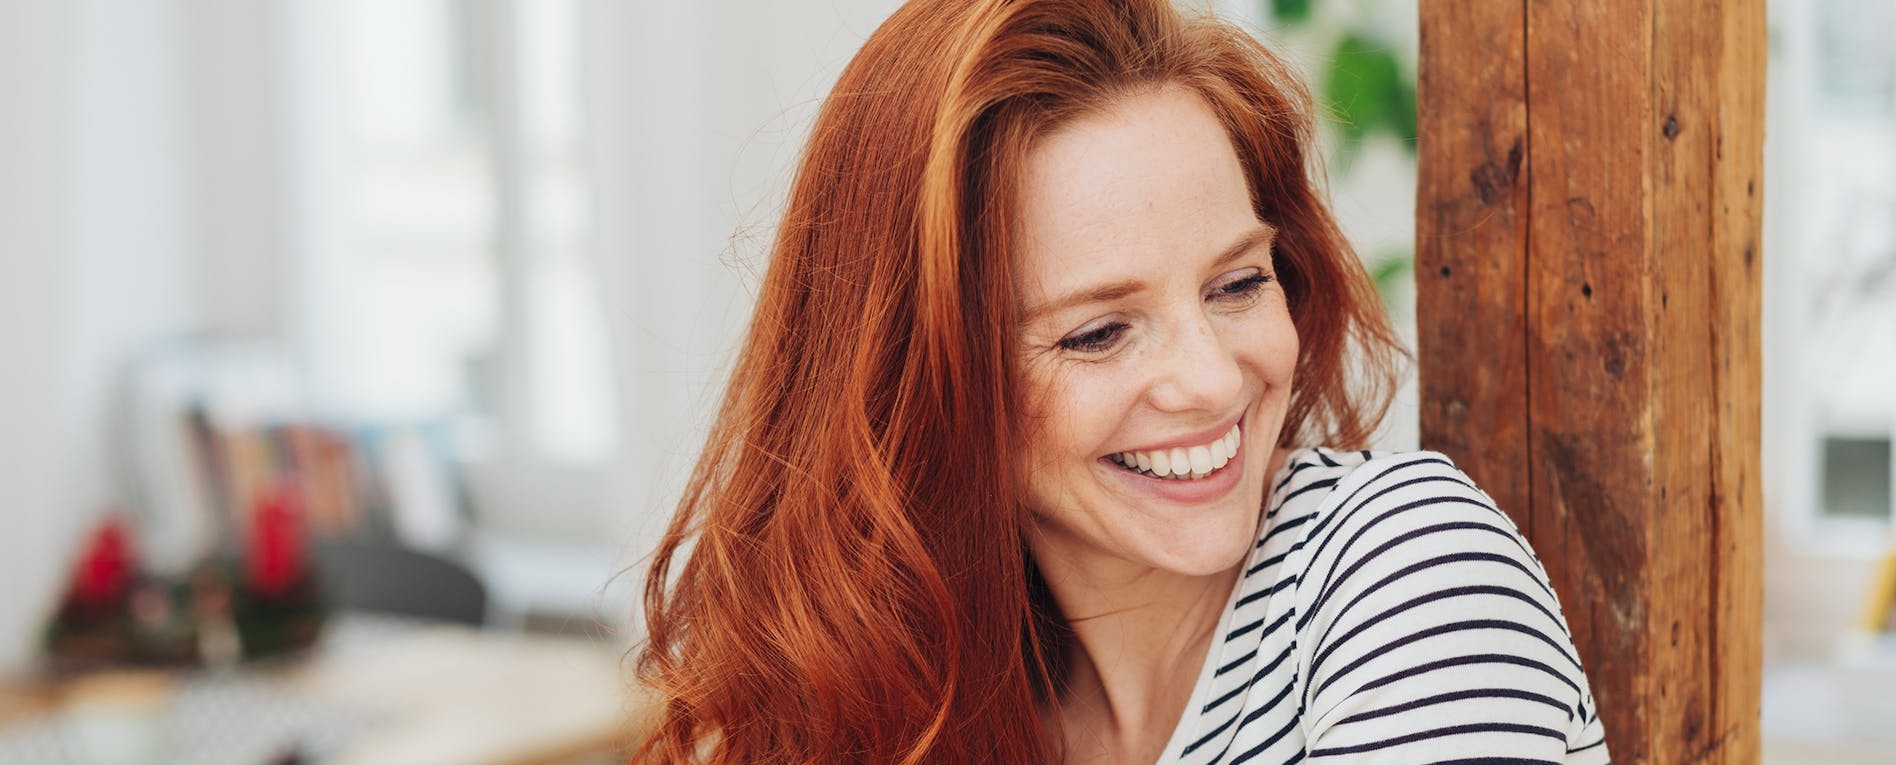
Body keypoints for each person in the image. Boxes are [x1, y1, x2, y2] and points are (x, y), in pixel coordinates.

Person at [632, 0, 1610, 763]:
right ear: (918, 378)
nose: (1211, 378)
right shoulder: (925, 694)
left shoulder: (1409, 575)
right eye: (1098, 333)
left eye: (1238, 283)